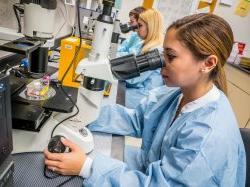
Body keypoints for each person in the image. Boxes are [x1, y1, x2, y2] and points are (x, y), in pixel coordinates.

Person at [44, 13, 246, 186]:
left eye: (171, 56)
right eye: (162, 54)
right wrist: (76, 113)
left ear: (208, 63)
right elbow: (137, 119)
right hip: (152, 166)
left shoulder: (206, 139)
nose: (161, 63)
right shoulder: (179, 94)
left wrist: (86, 167)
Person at [124, 8, 165, 108]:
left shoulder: (155, 50)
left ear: (150, 26)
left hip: (144, 97)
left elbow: (133, 80)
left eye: (140, 26)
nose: (137, 29)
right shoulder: (146, 45)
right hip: (138, 90)